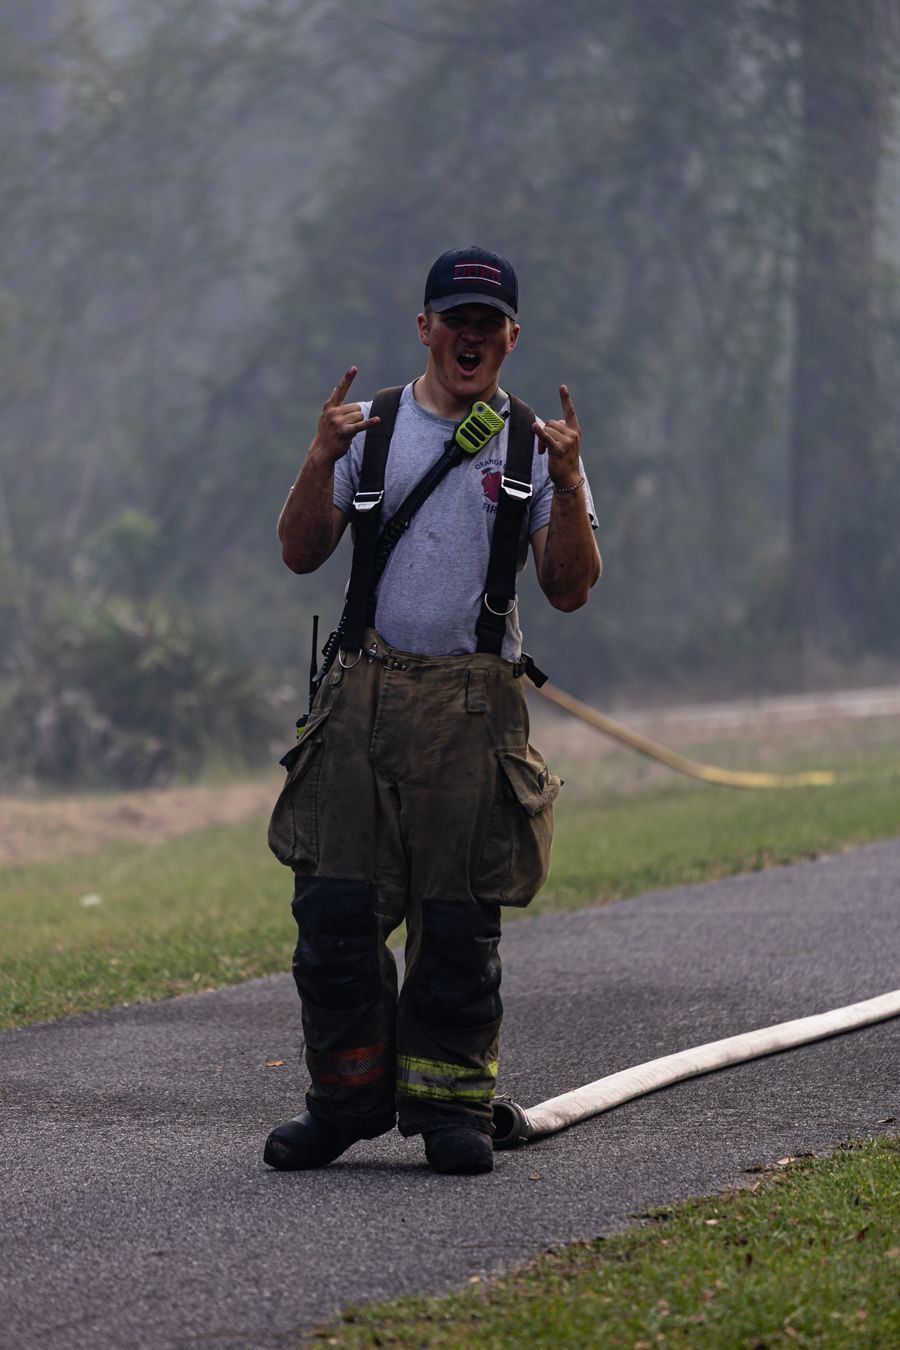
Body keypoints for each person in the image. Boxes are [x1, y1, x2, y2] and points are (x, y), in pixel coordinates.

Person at [265, 246, 600, 1175]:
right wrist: (317, 455)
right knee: (333, 917)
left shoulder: (538, 446)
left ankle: (452, 1111)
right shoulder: (365, 431)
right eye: (455, 318)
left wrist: (570, 485)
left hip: (473, 709)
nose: (471, 336)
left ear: (512, 338)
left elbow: (568, 591)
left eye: (488, 323)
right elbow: (299, 555)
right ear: (425, 328)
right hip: (360, 697)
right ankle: (342, 1106)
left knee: (456, 927)